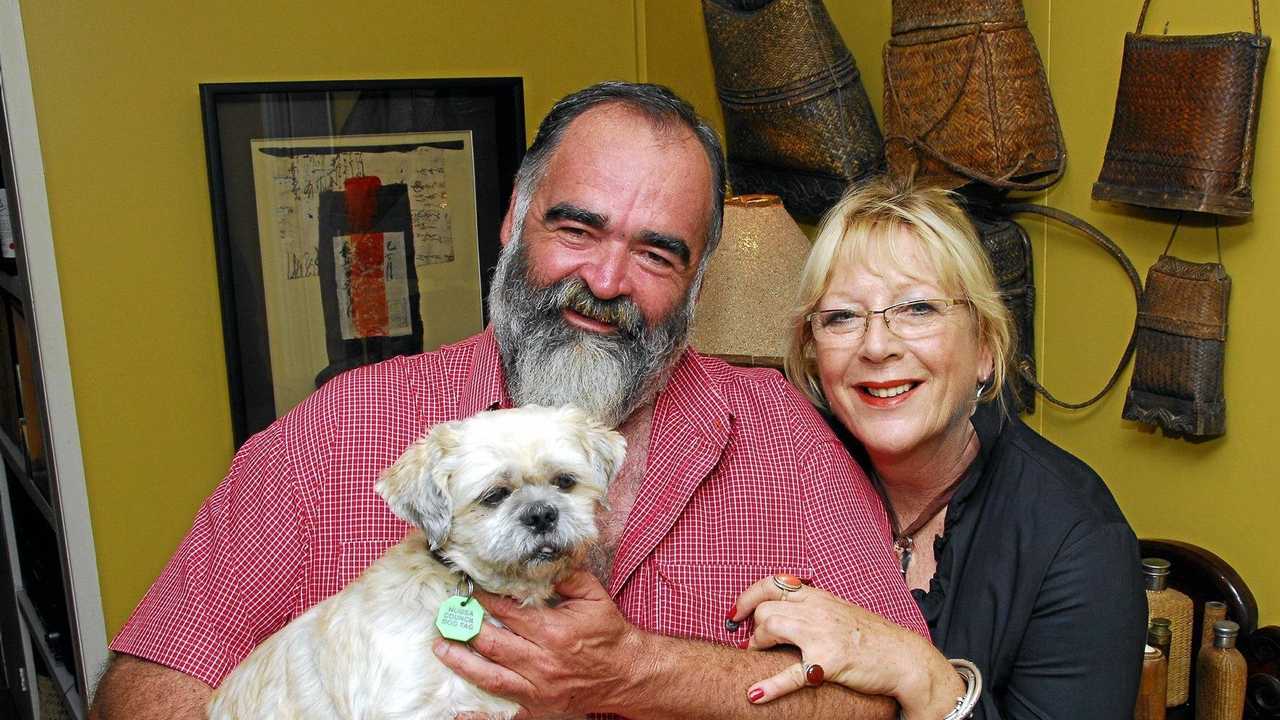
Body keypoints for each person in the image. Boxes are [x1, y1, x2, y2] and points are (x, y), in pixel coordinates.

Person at [90, 82, 926, 720]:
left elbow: (885, 696)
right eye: (576, 229)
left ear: (699, 284)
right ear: (513, 222)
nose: (604, 281)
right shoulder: (340, 430)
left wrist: (642, 669)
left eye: (657, 254)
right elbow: (156, 676)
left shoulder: (781, 435)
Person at [725, 177, 1147, 719]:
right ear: (812, 356)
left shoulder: (1078, 538)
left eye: (918, 309)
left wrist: (918, 673)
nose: (877, 346)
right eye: (842, 317)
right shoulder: (779, 472)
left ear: (986, 350)